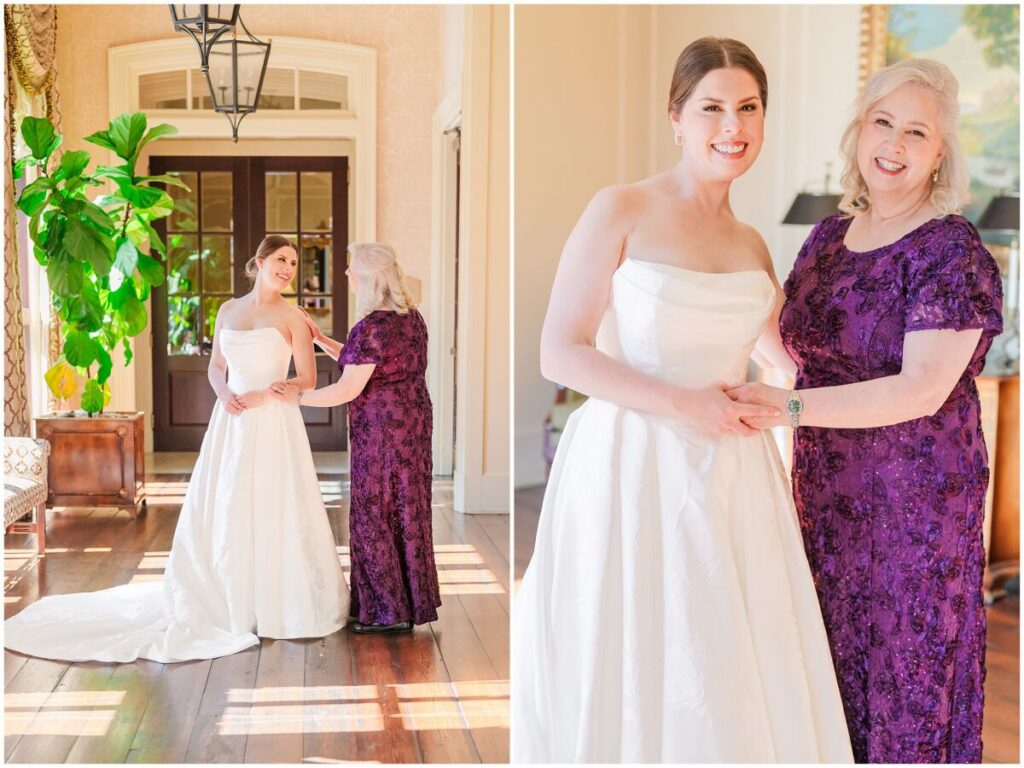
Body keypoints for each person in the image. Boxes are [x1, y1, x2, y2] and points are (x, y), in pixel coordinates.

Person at [511, 38, 853, 763]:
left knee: (724, 649)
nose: (732, 126)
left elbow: (791, 362)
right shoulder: (622, 208)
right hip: (631, 464)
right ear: (677, 118)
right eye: (713, 109)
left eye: (749, 108)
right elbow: (560, 351)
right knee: (641, 647)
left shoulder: (754, 246)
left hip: (733, 476)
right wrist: (683, 404)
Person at [730, 58, 1003, 763]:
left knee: (904, 663)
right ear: (859, 130)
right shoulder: (825, 240)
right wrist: (731, 269)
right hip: (827, 489)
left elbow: (919, 390)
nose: (895, 143)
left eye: (917, 131)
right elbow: (796, 354)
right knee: (831, 651)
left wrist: (787, 408)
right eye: (883, 122)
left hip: (916, 499)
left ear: (940, 153)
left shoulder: (951, 248)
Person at [4, 235, 350, 662]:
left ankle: (278, 601)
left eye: (293, 263)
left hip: (273, 421)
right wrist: (224, 394)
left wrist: (265, 395)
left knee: (275, 503)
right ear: (258, 262)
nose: (287, 269)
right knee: (227, 504)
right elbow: (216, 367)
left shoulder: (293, 316)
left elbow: (308, 380)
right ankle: (228, 594)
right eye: (281, 260)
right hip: (231, 420)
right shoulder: (228, 310)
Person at [271, 243, 440, 634]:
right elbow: (360, 359)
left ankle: (386, 611)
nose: (346, 275)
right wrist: (321, 339)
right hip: (413, 427)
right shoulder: (410, 319)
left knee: (374, 513)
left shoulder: (371, 328)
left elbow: (347, 389)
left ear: (367, 279)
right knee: (407, 509)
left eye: (350, 270)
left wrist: (299, 397)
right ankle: (410, 603)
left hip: (381, 434)